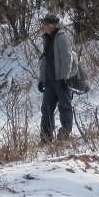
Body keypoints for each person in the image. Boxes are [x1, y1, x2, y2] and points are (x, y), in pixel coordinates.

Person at [37, 13, 77, 141]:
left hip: (61, 80)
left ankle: (64, 135)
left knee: (64, 107)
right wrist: (41, 80)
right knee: (46, 109)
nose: (44, 27)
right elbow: (44, 61)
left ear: (53, 25)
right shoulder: (46, 39)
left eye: (46, 24)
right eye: (44, 24)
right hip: (49, 81)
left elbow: (67, 58)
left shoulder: (61, 37)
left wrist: (65, 78)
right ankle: (46, 138)